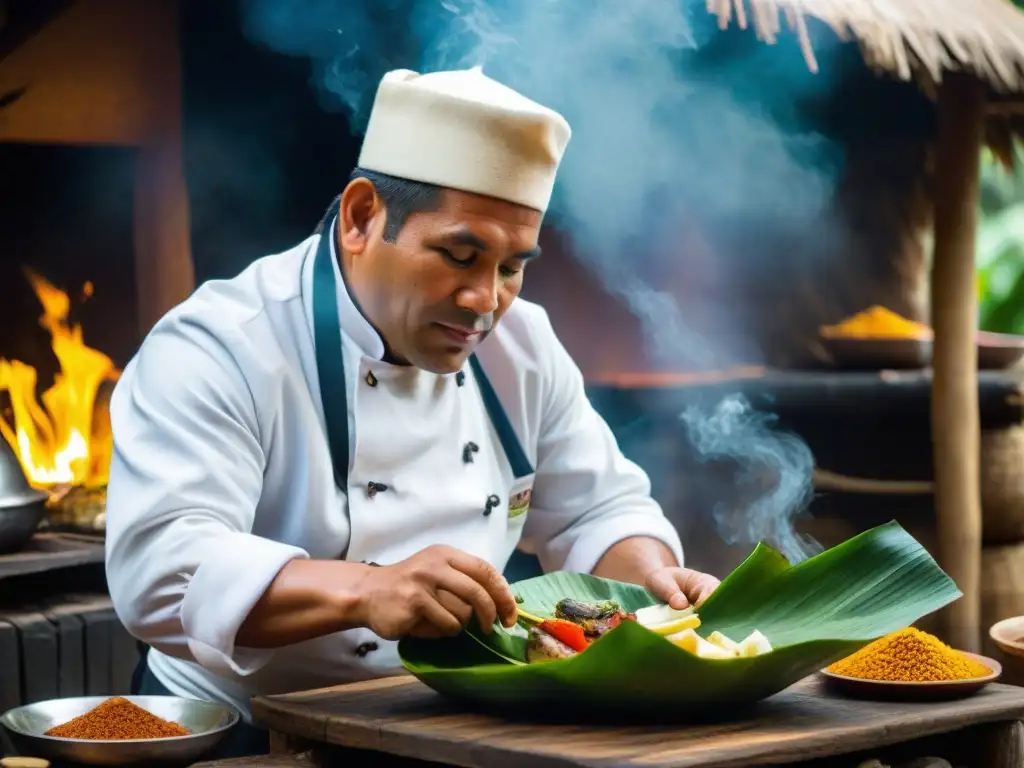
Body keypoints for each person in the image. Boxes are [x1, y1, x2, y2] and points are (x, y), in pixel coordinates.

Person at [105, 66, 720, 758]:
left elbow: (595, 510)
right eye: (460, 255)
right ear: (363, 215)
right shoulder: (223, 344)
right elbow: (161, 570)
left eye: (513, 267)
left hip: (440, 730)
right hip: (240, 735)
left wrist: (650, 580)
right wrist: (368, 591)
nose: (487, 300)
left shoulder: (521, 345)